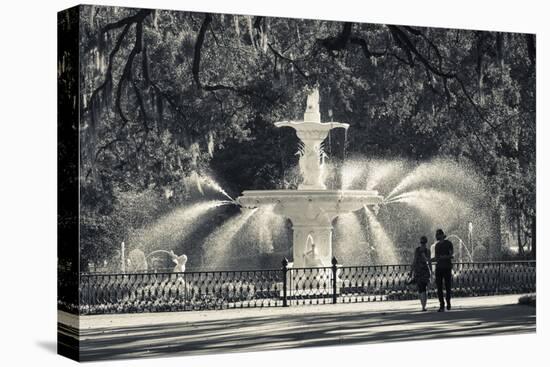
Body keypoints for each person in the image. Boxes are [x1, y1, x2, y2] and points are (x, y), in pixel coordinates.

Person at [432, 229, 454, 312]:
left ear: (442, 235)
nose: (436, 236)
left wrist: (444, 257)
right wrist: (429, 260)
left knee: (448, 286)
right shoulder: (437, 245)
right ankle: (442, 305)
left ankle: (448, 302)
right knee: (439, 287)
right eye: (436, 235)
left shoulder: (448, 243)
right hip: (439, 268)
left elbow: (451, 254)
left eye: (437, 235)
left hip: (447, 267)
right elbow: (437, 257)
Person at [410, 236, 432, 311]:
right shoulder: (427, 251)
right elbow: (429, 262)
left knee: (421, 289)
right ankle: (423, 306)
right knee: (423, 289)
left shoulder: (418, 250)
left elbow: (415, 261)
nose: (422, 244)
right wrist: (431, 272)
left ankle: (423, 306)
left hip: (419, 271)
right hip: (422, 271)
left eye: (422, 242)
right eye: (423, 243)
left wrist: (411, 271)